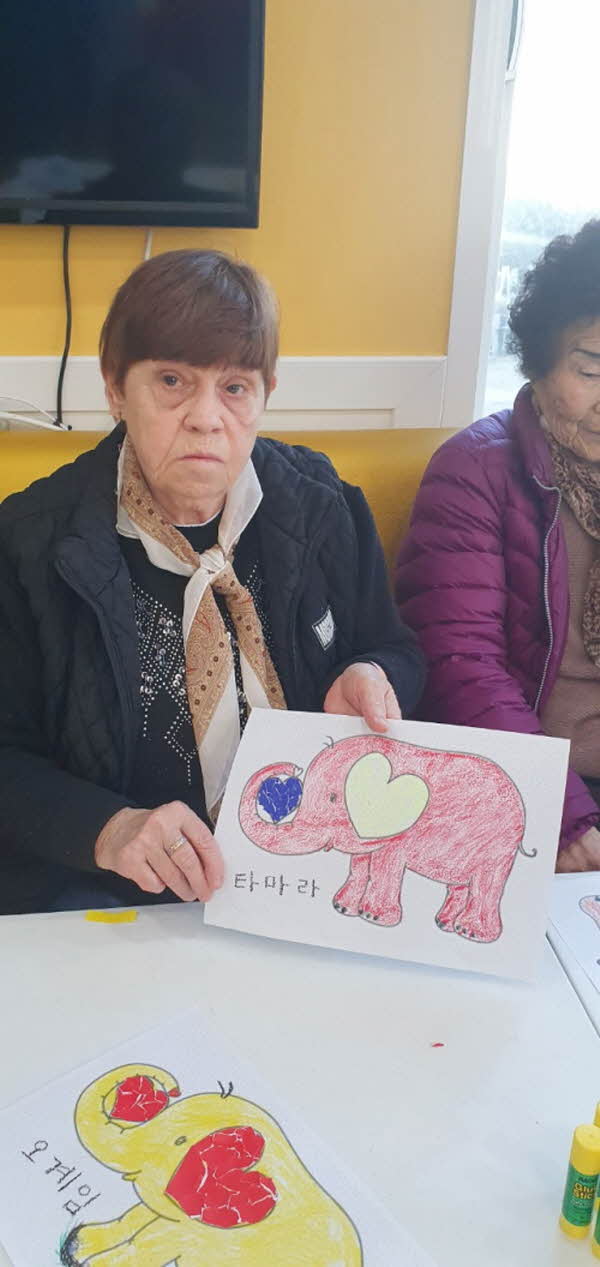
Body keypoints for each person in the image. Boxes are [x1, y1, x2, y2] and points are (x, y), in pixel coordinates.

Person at [0, 248, 425, 914]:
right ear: (115, 388)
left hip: (309, 888)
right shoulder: (29, 543)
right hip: (109, 903)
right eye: (172, 381)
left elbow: (397, 649)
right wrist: (107, 829)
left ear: (265, 394)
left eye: (235, 387)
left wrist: (372, 671)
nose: (205, 417)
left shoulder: (326, 509)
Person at [395, 219, 600, 872]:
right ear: (540, 361)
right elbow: (458, 665)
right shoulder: (475, 470)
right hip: (532, 787)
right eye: (590, 369)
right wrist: (560, 815)